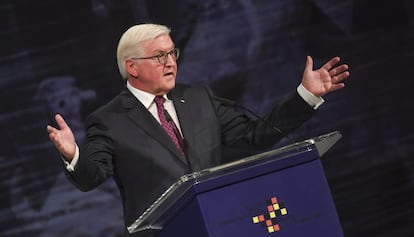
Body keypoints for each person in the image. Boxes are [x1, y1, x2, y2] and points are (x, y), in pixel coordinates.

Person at [47, 23, 350, 236]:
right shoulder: (109, 120)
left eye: (172, 53)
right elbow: (92, 176)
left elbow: (256, 134)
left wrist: (305, 96)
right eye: (159, 56)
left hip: (226, 225)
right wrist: (74, 155)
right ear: (132, 67)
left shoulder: (197, 98)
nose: (170, 63)